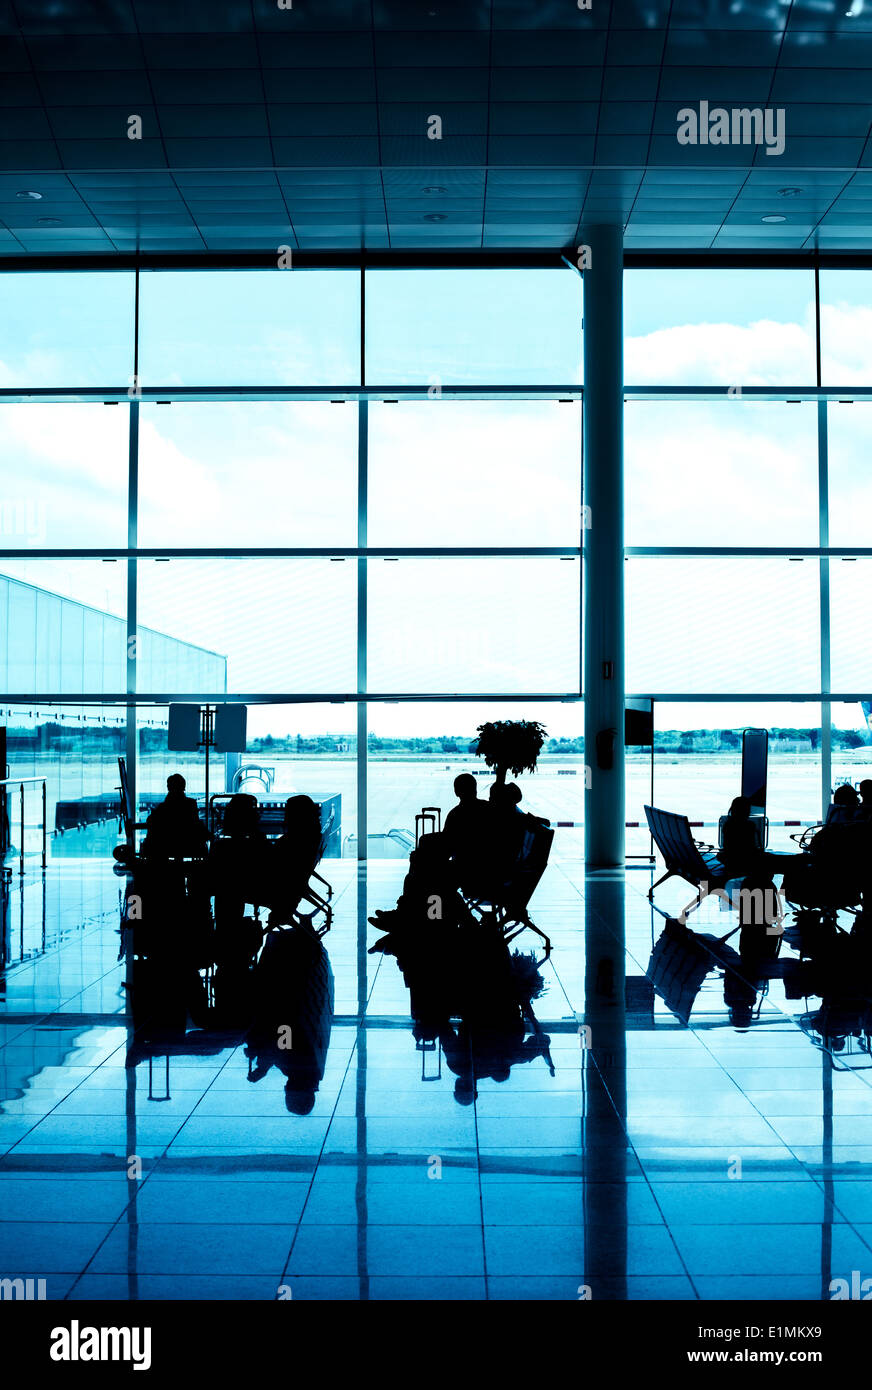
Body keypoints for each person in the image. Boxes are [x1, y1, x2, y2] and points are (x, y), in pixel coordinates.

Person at [141, 773, 207, 859]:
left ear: (169, 788)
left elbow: (150, 821)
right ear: (183, 787)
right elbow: (195, 824)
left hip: (166, 846)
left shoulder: (163, 807)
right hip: (188, 845)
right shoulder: (191, 804)